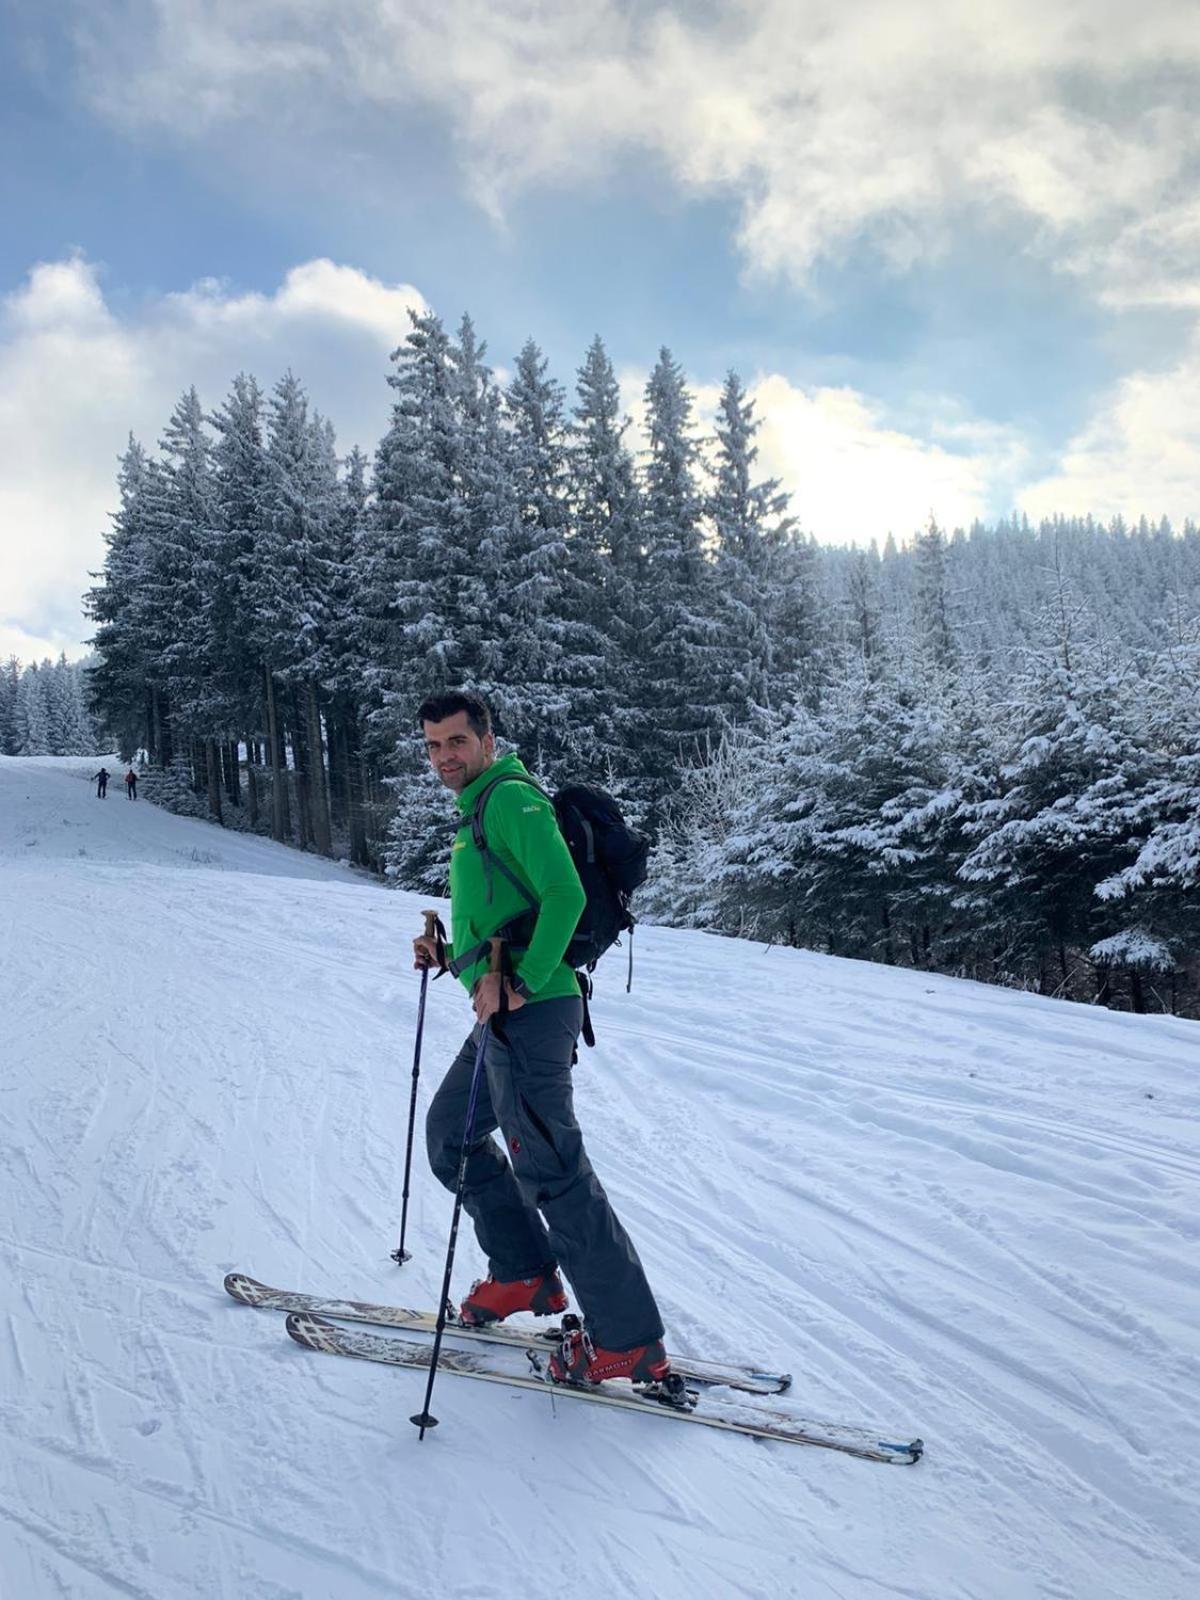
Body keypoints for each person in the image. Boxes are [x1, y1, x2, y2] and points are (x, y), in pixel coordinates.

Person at [415, 690, 670, 1387]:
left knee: (552, 1167)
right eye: (434, 746)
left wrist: (522, 981)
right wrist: (449, 955)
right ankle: (525, 1273)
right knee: (449, 1134)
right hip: (498, 1011)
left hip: (533, 1011)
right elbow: (510, 908)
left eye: (457, 742)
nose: (445, 758)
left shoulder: (511, 800)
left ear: (486, 740)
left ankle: (626, 1341)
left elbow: (566, 896)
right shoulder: (476, 811)